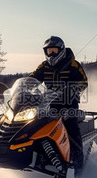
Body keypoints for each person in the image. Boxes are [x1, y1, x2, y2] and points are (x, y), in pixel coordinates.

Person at [29, 36, 88, 170]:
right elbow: (32, 78)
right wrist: (25, 87)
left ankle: (77, 164)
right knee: (33, 124)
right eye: (49, 51)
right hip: (48, 103)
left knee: (70, 126)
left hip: (68, 103)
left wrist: (72, 89)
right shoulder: (44, 66)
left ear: (61, 50)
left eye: (54, 50)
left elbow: (83, 81)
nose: (52, 54)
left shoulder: (73, 64)